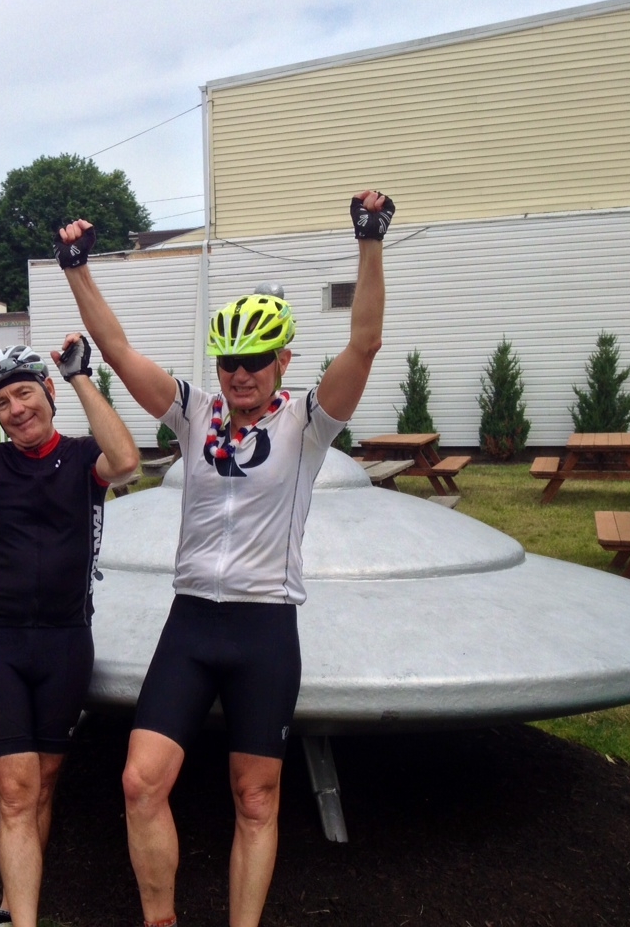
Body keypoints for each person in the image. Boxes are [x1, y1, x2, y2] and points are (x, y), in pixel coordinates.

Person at [54, 191, 394, 927]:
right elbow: (118, 350)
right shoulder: (194, 413)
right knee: (141, 783)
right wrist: (76, 266)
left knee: (256, 798)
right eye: (229, 362)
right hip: (192, 625)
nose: (240, 375)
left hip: (264, 628)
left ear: (282, 361)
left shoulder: (308, 424)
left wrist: (369, 240)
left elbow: (364, 344)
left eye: (255, 362)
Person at [0, 328, 139, 927]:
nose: (15, 409)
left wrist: (80, 375)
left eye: (25, 394)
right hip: (3, 642)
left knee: (43, 782)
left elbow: (127, 462)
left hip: (67, 640)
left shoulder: (84, 458)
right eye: (2, 402)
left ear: (48, 394)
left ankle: (14, 903)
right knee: (14, 790)